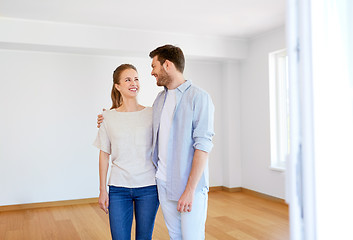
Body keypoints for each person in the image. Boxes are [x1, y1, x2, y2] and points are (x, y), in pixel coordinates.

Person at [98, 45, 215, 240]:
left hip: (181, 186)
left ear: (167, 65)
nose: (151, 72)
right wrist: (106, 118)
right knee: (175, 235)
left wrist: (190, 189)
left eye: (154, 66)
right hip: (161, 183)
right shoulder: (160, 101)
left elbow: (203, 146)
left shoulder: (198, 97)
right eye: (128, 79)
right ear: (117, 86)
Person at [93, 64, 159, 240]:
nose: (133, 83)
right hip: (118, 188)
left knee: (144, 238)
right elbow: (104, 154)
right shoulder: (108, 117)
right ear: (117, 86)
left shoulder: (152, 114)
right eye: (128, 79)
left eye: (136, 78)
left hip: (149, 188)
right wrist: (102, 190)